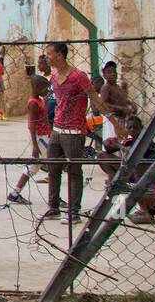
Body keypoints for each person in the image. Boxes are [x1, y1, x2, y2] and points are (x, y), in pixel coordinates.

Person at [42, 40, 111, 220]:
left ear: (59, 55)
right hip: (57, 129)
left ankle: (74, 212)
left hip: (74, 131)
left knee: (74, 171)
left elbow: (95, 99)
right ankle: (54, 207)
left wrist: (113, 122)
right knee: (53, 169)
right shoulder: (54, 74)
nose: (46, 57)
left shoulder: (78, 76)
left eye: (49, 54)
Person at [7, 75, 52, 204]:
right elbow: (32, 124)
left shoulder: (40, 100)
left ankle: (15, 192)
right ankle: (15, 192)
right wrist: (35, 146)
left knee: (35, 167)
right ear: (37, 87)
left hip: (44, 136)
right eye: (45, 88)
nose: (47, 90)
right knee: (44, 165)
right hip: (40, 138)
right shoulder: (33, 102)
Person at [97, 61, 134, 147]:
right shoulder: (106, 87)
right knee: (113, 144)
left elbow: (121, 99)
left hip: (121, 119)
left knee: (122, 142)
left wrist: (131, 104)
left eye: (114, 72)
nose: (113, 74)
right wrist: (122, 108)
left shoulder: (116, 86)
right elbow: (104, 104)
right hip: (112, 119)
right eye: (109, 72)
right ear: (104, 74)